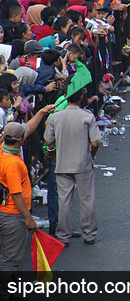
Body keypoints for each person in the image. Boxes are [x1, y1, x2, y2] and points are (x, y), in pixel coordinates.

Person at [44, 85, 100, 246]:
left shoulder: (56, 117)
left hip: (62, 163)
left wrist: (52, 150)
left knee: (64, 200)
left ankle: (63, 235)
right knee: (87, 199)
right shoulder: (87, 116)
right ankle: (89, 234)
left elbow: (48, 140)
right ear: (81, 98)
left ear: (67, 98)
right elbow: (95, 142)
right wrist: (91, 155)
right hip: (83, 163)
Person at [0, 111, 52, 281]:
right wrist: (28, 218)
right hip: (12, 214)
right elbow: (16, 194)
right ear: (20, 140)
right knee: (10, 260)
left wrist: (43, 111)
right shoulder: (12, 164)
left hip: (5, 210)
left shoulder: (2, 149)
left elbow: (27, 129)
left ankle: (12, 292)